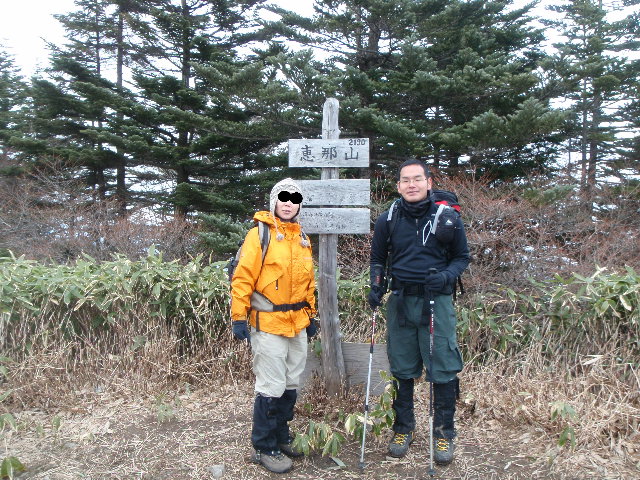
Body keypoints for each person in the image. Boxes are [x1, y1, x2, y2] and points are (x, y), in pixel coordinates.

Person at [368, 159, 470, 465]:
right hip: (399, 301)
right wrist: (376, 286)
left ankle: (443, 433)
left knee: (442, 367)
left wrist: (446, 276)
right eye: (405, 180)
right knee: (402, 367)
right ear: (398, 186)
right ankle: (403, 428)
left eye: (417, 179)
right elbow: (377, 259)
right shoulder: (388, 219)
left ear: (428, 182)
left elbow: (462, 257)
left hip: (435, 300)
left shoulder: (448, 218)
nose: (411, 185)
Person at [230, 178, 317, 474]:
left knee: (291, 382)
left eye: (295, 198)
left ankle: (281, 436)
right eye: (284, 196)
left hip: (297, 322)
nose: (289, 202)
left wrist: (311, 315)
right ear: (274, 200)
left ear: (299, 204)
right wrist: (238, 317)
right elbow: (243, 278)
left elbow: (308, 283)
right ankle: (264, 445)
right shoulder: (259, 235)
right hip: (267, 321)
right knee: (271, 385)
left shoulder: (303, 237)